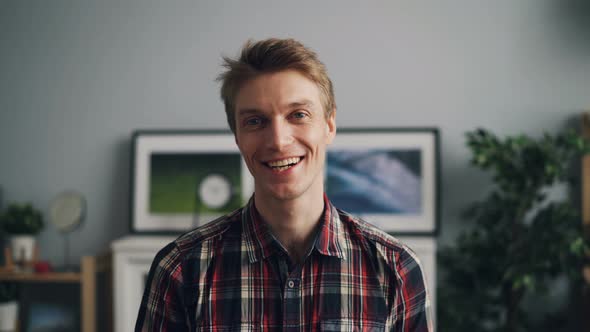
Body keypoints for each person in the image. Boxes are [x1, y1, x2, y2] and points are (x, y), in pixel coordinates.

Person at [135, 38, 433, 331]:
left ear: (329, 125)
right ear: (237, 136)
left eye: (298, 115)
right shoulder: (181, 268)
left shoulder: (396, 269)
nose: (278, 140)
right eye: (255, 121)